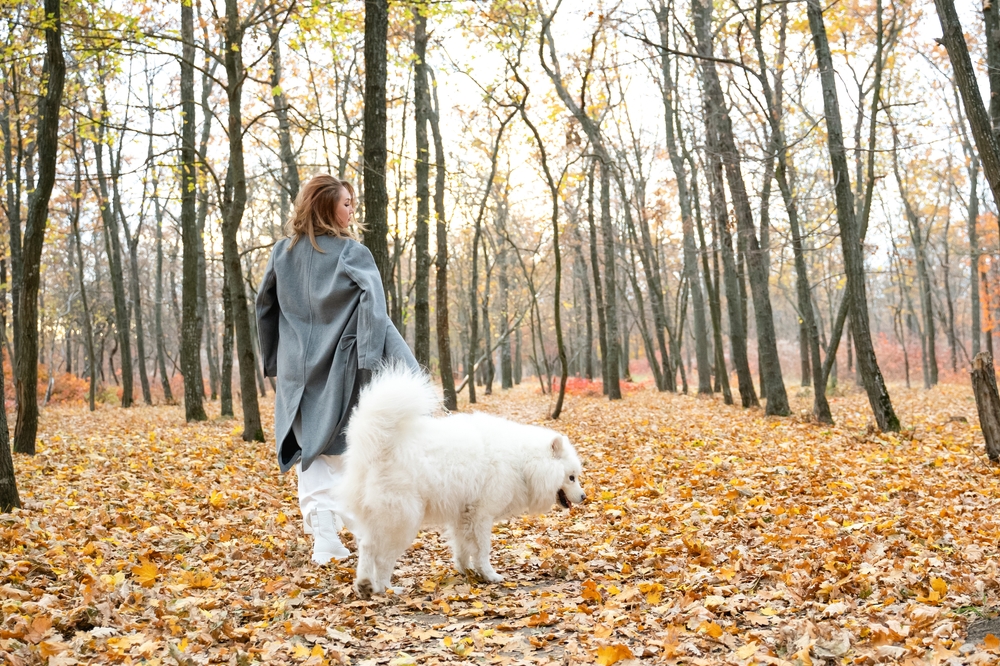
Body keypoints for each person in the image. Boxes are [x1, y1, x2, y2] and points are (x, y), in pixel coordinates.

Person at [256, 174, 418, 565]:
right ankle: (360, 536)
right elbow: (375, 312)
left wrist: (276, 358)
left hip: (298, 372)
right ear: (325, 206)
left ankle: (326, 539)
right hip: (341, 366)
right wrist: (373, 363)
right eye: (346, 203)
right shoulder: (352, 253)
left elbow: (264, 307)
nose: (352, 210)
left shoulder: (282, 252)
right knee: (347, 453)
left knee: (310, 453)